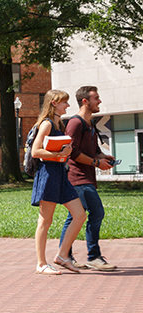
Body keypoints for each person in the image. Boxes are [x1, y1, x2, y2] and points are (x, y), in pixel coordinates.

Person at [59, 85, 116, 271]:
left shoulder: (90, 124)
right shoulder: (75, 123)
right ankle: (93, 256)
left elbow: (94, 151)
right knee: (96, 212)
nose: (99, 101)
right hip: (77, 177)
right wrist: (96, 163)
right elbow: (72, 152)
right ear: (85, 101)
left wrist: (103, 158)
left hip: (86, 177)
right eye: (96, 98)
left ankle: (64, 256)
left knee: (75, 217)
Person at [30, 89, 87, 275]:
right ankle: (40, 263)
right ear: (54, 103)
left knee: (79, 214)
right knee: (45, 220)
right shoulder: (46, 124)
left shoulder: (59, 124)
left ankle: (62, 256)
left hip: (61, 175)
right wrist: (59, 154)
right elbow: (35, 152)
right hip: (48, 174)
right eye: (65, 102)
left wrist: (65, 152)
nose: (68, 106)